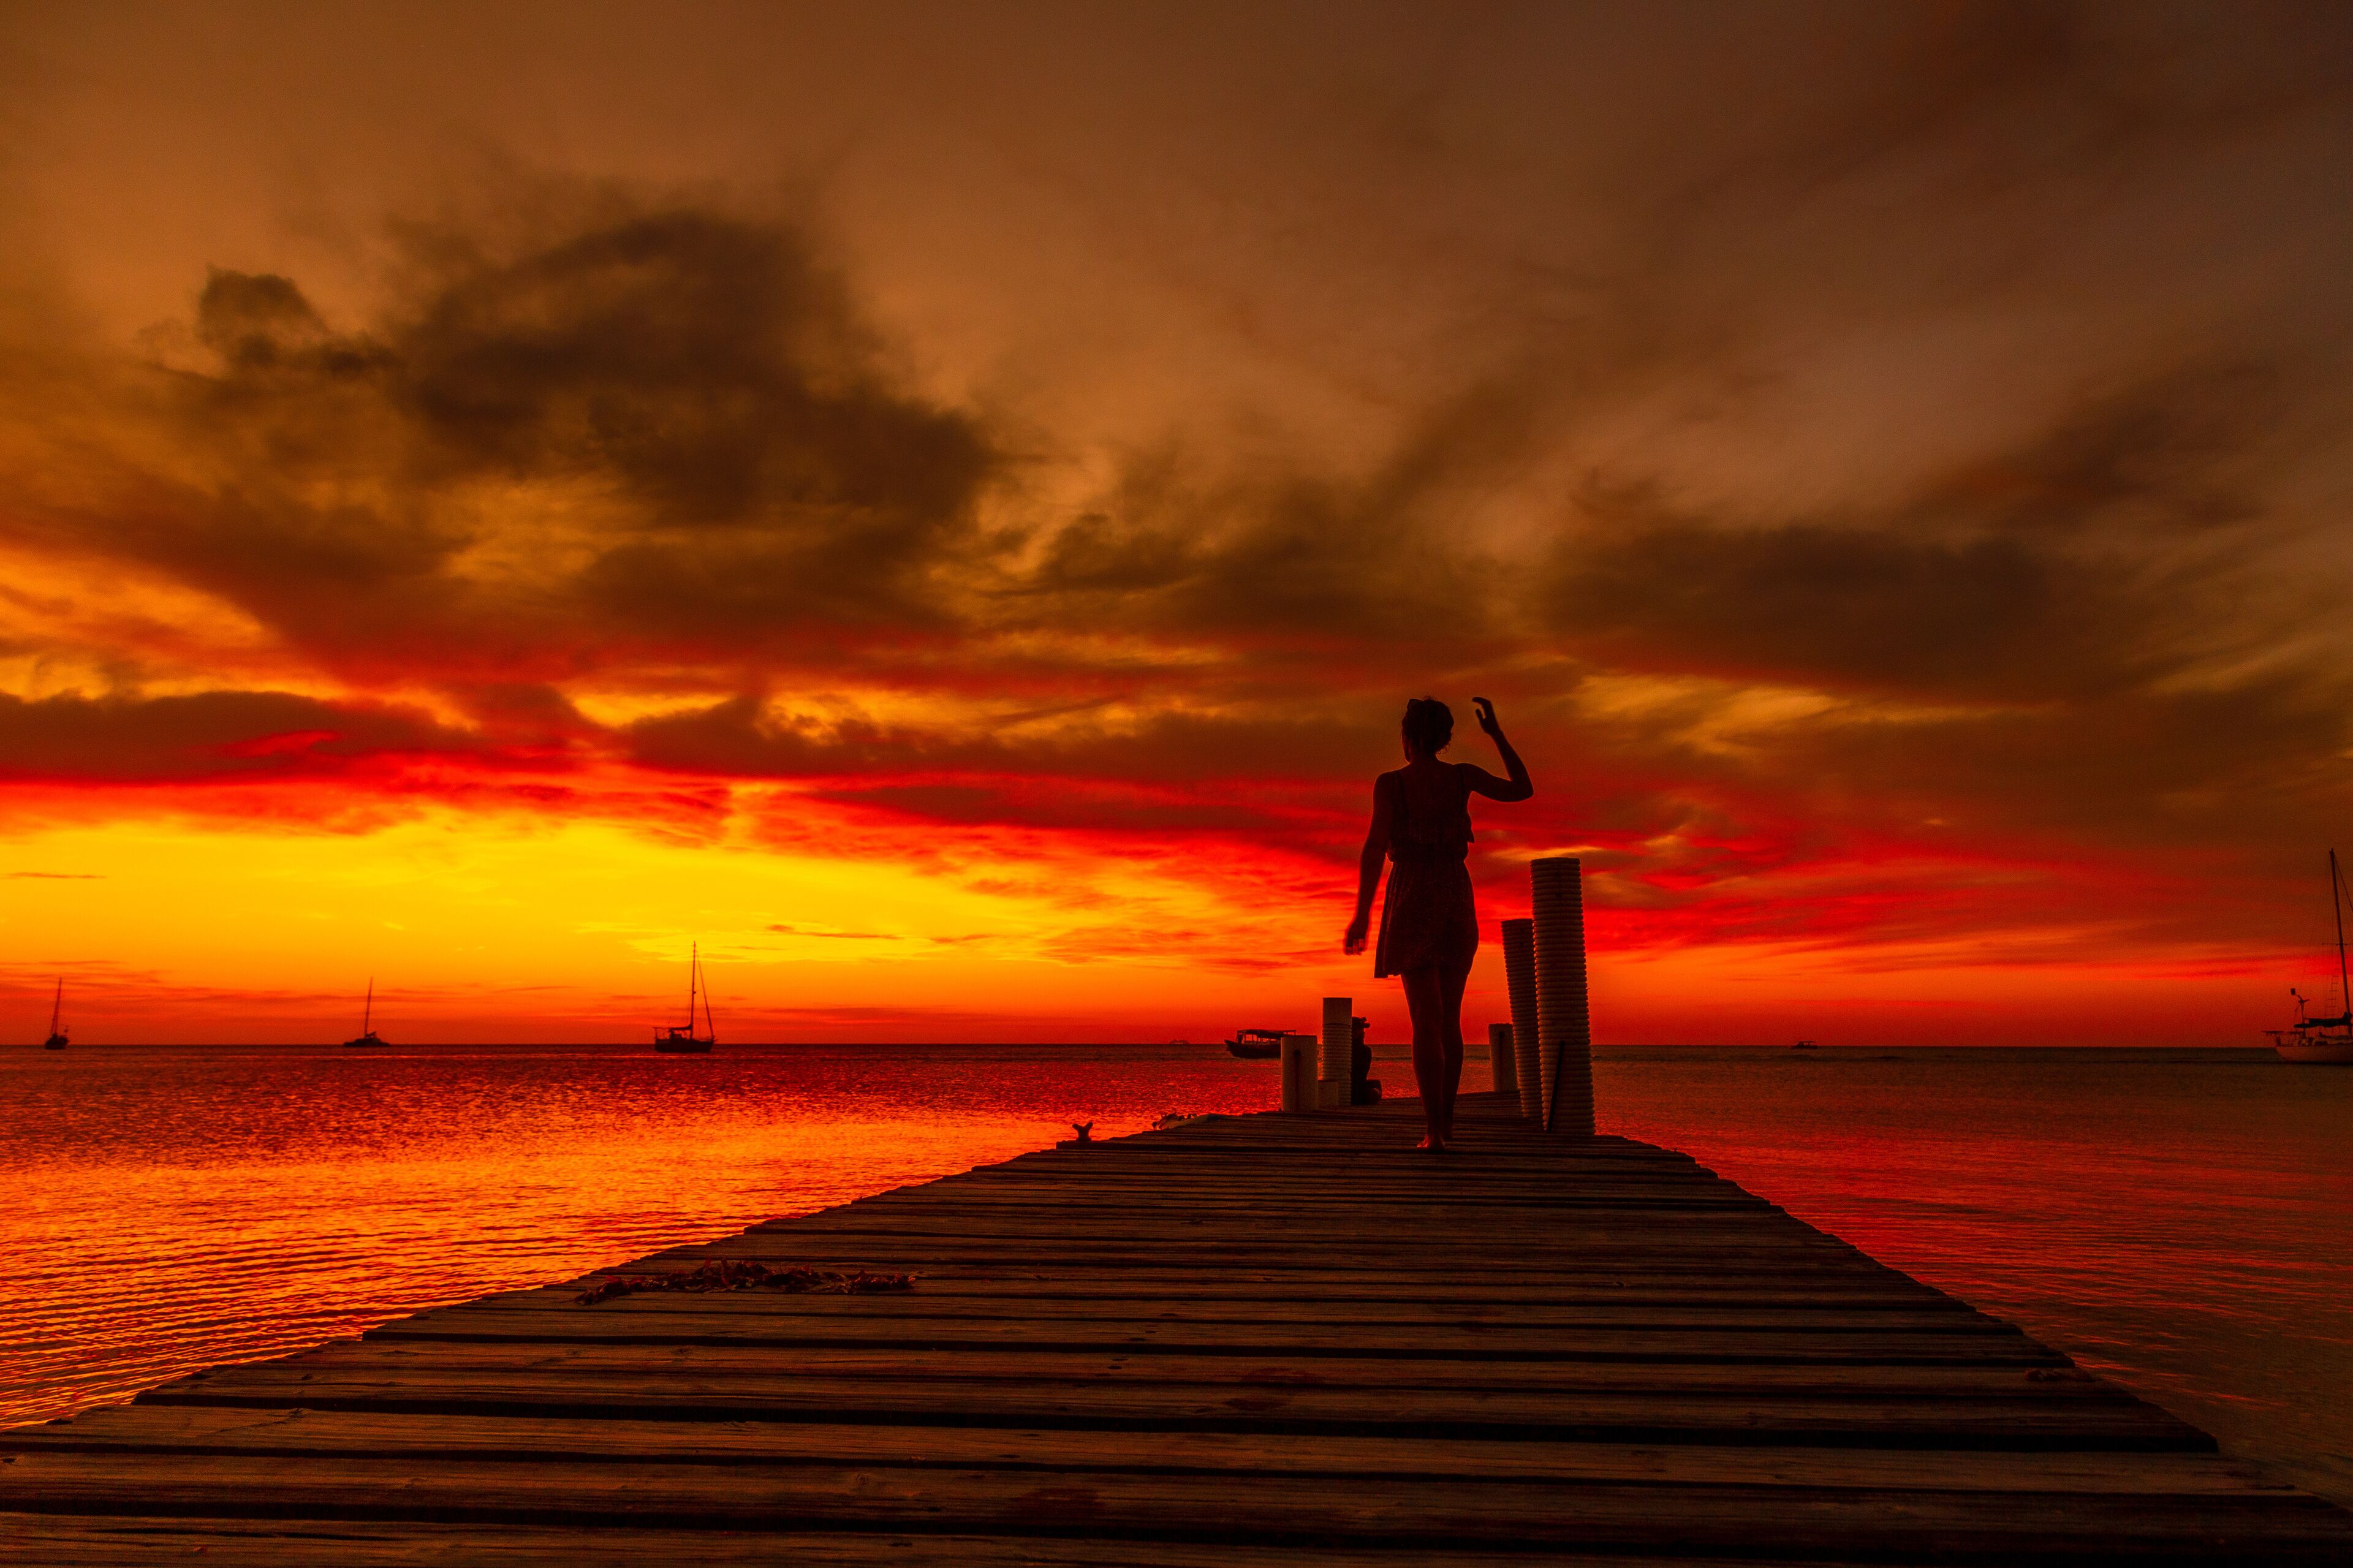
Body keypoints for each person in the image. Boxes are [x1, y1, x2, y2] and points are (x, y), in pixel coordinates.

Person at [1343, 696, 1532, 1151]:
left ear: (1408, 738)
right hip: (1453, 892)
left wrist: (1362, 914)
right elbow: (1522, 788)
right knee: (1448, 1019)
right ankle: (1445, 1127)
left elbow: (1373, 848)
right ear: (1445, 739)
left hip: (1411, 894)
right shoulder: (1461, 776)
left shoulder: (1391, 784)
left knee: (1426, 1020)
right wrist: (1497, 734)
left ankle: (1433, 1133)